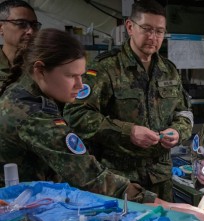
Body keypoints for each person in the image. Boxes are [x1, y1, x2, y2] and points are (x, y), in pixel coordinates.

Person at [0, 28, 153, 203]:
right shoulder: (31, 113)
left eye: (81, 76)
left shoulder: (26, 91)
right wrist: (155, 202)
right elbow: (87, 175)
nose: (80, 86)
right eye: (71, 76)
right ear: (40, 70)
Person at [63, 0, 193, 202]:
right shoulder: (105, 68)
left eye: (159, 31)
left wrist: (178, 132)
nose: (153, 37)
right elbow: (76, 114)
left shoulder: (169, 70)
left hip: (161, 177)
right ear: (130, 27)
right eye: (147, 29)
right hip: (121, 179)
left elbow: (183, 112)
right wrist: (128, 131)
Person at [0, 0, 40, 86]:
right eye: (21, 24)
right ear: (1, 28)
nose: (31, 31)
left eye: (34, 25)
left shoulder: (42, 67)